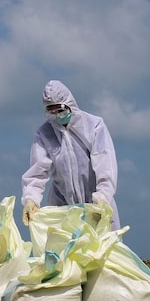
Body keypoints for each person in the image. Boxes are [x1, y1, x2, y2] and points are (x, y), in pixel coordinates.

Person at [21, 79, 120, 230]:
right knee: (62, 251)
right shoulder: (44, 134)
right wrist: (31, 200)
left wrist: (102, 198)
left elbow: (105, 165)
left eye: (60, 110)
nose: (57, 116)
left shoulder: (94, 126)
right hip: (63, 210)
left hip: (97, 207)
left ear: (69, 104)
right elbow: (36, 173)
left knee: (103, 250)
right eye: (51, 112)